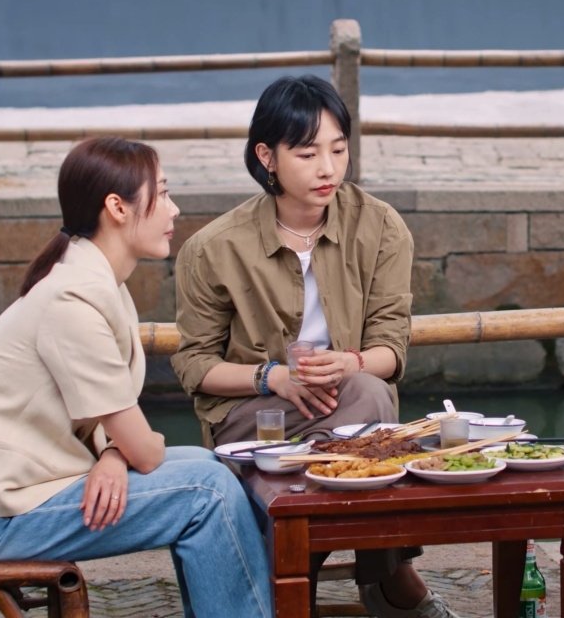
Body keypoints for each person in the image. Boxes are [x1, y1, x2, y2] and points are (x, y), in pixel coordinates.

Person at [0, 136, 273, 618]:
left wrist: (114, 455)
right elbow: (145, 450)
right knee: (208, 491)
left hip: (1, 499)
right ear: (117, 207)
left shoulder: (90, 280)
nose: (174, 209)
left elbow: (117, 431)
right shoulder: (74, 300)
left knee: (207, 465)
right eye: (163, 193)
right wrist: (124, 452)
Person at [171, 75, 458, 618]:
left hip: (350, 403)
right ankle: (387, 579)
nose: (328, 168)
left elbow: (391, 347)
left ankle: (287, 575)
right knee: (371, 411)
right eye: (307, 154)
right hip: (258, 413)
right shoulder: (213, 248)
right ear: (267, 157)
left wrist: (348, 363)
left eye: (338, 149)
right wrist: (273, 378)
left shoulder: (380, 227)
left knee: (368, 392)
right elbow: (194, 364)